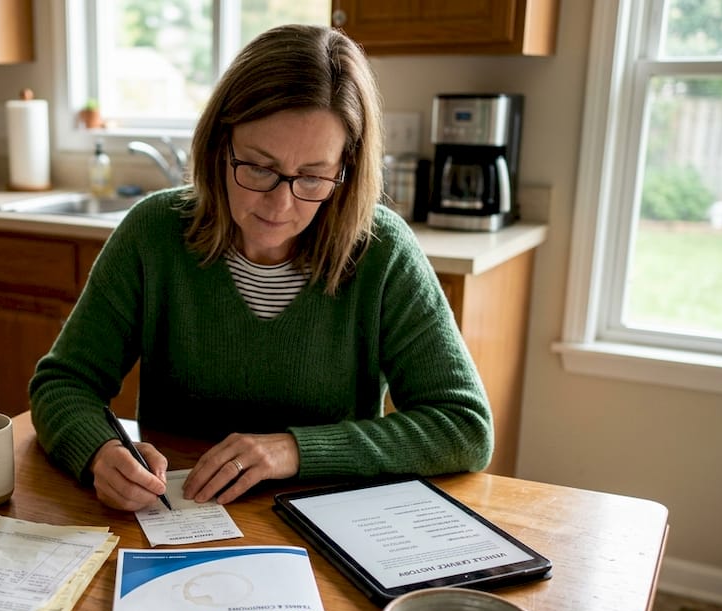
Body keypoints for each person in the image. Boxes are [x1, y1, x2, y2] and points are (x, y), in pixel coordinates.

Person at [29, 24, 492, 511]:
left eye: (312, 177)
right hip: (174, 519)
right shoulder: (154, 233)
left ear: (346, 169)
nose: (280, 204)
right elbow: (63, 383)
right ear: (220, 145)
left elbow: (464, 426)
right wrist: (100, 453)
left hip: (326, 522)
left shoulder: (382, 250)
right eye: (258, 167)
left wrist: (293, 450)